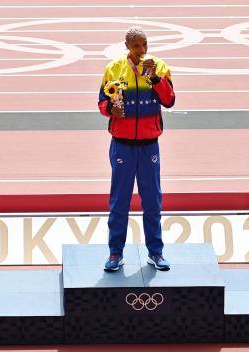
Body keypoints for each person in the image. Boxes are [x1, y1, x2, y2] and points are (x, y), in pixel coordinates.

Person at [97, 26, 175, 272]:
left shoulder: (159, 67)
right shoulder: (114, 69)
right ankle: (115, 253)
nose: (142, 50)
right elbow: (101, 102)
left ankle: (156, 252)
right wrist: (111, 109)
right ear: (127, 46)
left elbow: (170, 100)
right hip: (122, 146)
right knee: (119, 201)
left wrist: (154, 78)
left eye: (145, 44)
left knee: (152, 201)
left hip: (149, 145)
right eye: (137, 46)